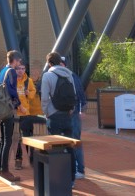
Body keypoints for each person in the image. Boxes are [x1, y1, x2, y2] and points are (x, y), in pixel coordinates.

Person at [41, 51, 77, 185]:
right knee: (69, 146)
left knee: (55, 147)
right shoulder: (69, 74)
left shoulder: (48, 75)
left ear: (49, 63)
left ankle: (57, 180)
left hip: (54, 115)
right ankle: (71, 178)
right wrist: (70, 110)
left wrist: (46, 112)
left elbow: (44, 98)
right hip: (67, 114)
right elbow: (73, 93)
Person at [0, 50, 23, 183]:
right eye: (19, 61)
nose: (19, 63)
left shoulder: (2, 70)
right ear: (15, 60)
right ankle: (5, 170)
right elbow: (12, 90)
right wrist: (19, 105)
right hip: (7, 109)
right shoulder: (11, 72)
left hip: (0, 109)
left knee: (2, 139)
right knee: (8, 140)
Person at [62, 56, 87, 178]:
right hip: (68, 114)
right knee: (69, 141)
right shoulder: (65, 76)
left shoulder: (71, 76)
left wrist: (81, 109)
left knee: (75, 140)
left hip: (73, 114)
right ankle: (73, 168)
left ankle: (80, 170)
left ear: (63, 64)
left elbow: (80, 94)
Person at [13, 62, 39, 169]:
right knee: (17, 139)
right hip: (15, 114)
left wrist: (30, 93)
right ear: (15, 70)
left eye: (23, 69)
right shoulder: (12, 81)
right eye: (18, 68)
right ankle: (18, 160)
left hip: (27, 114)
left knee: (29, 137)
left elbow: (33, 92)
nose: (21, 70)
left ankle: (32, 159)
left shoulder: (29, 81)